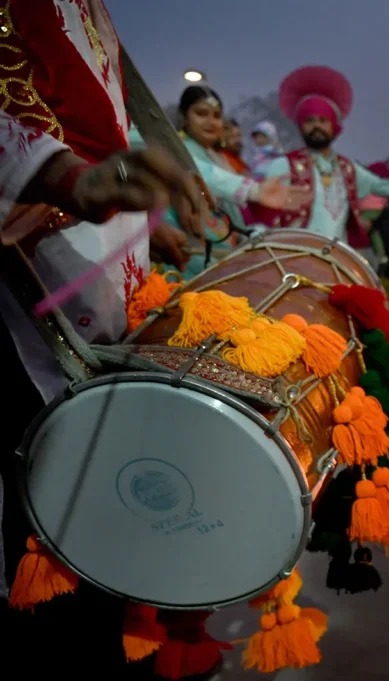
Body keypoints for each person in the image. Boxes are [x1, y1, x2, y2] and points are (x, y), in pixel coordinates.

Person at [0, 1, 207, 676]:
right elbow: (64, 158)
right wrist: (65, 179)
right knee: (42, 554)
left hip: (109, 292)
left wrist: (146, 226)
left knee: (111, 528)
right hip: (23, 305)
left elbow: (102, 132)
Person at [253, 65, 389, 264]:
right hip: (292, 260)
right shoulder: (283, 165)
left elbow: (384, 186)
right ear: (300, 126)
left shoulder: (347, 169)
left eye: (323, 120)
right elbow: (263, 214)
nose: (316, 126)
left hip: (336, 262)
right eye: (310, 120)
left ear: (334, 127)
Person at [165, 86, 306, 278]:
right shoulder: (179, 151)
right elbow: (199, 175)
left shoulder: (217, 157)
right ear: (183, 116)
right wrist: (254, 190)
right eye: (201, 113)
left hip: (219, 255)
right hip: (190, 259)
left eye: (216, 115)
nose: (211, 122)